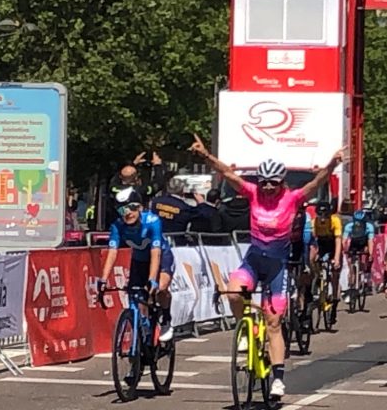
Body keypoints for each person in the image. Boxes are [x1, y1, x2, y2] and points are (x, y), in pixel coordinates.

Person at [189, 133, 344, 399]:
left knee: (273, 322)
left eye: (273, 183)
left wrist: (331, 164)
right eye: (264, 183)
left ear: (281, 182)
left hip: (277, 265)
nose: (268, 187)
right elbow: (228, 174)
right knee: (233, 292)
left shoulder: (292, 199)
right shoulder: (252, 193)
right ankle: (245, 333)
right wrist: (206, 156)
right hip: (254, 258)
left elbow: (317, 183)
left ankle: (278, 378)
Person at [97, 187, 176, 344]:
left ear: (140, 208)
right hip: (140, 261)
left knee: (160, 287)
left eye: (132, 207)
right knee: (135, 296)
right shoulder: (117, 226)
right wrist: (103, 279)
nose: (127, 212)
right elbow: (112, 252)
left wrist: (152, 279)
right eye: (122, 209)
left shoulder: (152, 221)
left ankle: (165, 317)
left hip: (161, 257)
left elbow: (156, 253)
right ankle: (142, 334)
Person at [309, 200, 343, 323]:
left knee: (334, 275)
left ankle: (334, 303)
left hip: (333, 244)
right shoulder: (314, 222)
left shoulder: (335, 220)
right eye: (320, 216)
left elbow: (338, 241)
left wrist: (337, 259)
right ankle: (317, 279)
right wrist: (314, 256)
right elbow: (313, 241)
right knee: (313, 260)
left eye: (325, 216)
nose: (322, 219)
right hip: (321, 244)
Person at [150, 177, 196, 245]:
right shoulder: (185, 208)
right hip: (175, 244)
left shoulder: (155, 201)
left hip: (155, 240)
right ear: (182, 190)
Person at [343, 209, 376, 303]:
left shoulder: (369, 227)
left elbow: (370, 241)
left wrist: (370, 253)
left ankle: (364, 275)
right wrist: (345, 251)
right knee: (351, 266)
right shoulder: (349, 226)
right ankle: (351, 286)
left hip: (363, 244)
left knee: (364, 255)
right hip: (354, 244)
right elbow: (345, 240)